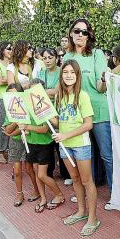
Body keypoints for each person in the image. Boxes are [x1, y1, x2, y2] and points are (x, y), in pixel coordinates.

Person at [63, 18, 113, 210]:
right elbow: (66, 86)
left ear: (89, 35)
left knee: (107, 155)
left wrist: (104, 80)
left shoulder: (97, 54)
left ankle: (114, 193)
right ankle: (85, 193)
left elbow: (101, 87)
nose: (80, 35)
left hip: (99, 110)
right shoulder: (67, 57)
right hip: (78, 114)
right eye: (77, 31)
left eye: (84, 32)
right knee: (85, 154)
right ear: (71, 34)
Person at [52, 59, 100, 236]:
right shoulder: (59, 96)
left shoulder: (83, 95)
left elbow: (88, 124)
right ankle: (81, 211)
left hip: (80, 145)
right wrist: (46, 115)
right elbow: (59, 122)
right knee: (75, 179)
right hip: (65, 146)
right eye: (65, 72)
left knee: (87, 181)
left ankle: (93, 218)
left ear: (77, 75)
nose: (69, 75)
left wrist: (65, 135)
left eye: (72, 72)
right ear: (61, 75)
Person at [19, 82, 65, 213]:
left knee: (41, 175)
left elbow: (45, 129)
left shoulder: (45, 105)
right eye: (29, 90)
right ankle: (43, 198)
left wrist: (27, 127)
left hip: (44, 145)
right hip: (31, 143)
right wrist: (25, 131)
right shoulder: (27, 106)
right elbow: (27, 125)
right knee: (36, 172)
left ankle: (59, 194)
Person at [36, 48, 72, 184]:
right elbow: (36, 90)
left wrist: (42, 91)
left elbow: (57, 90)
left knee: (60, 142)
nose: (47, 60)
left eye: (50, 57)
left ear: (56, 58)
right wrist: (46, 92)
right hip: (43, 110)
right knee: (47, 142)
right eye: (44, 58)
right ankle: (49, 172)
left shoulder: (61, 72)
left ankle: (66, 174)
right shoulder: (40, 72)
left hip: (58, 109)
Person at [3, 83, 41, 207]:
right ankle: (19, 193)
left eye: (15, 94)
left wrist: (16, 130)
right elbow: (8, 130)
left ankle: (37, 191)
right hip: (16, 142)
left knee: (30, 169)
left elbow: (27, 127)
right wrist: (15, 119)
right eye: (10, 95)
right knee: (18, 171)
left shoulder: (29, 106)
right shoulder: (10, 110)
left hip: (29, 140)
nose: (13, 97)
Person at [0, 41, 13, 164]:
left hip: (15, 97)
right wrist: (12, 79)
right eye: (8, 48)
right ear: (2, 50)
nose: (10, 50)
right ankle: (1, 151)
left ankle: (11, 150)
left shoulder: (15, 63)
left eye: (12, 48)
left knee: (15, 124)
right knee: (2, 125)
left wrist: (8, 79)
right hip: (2, 98)